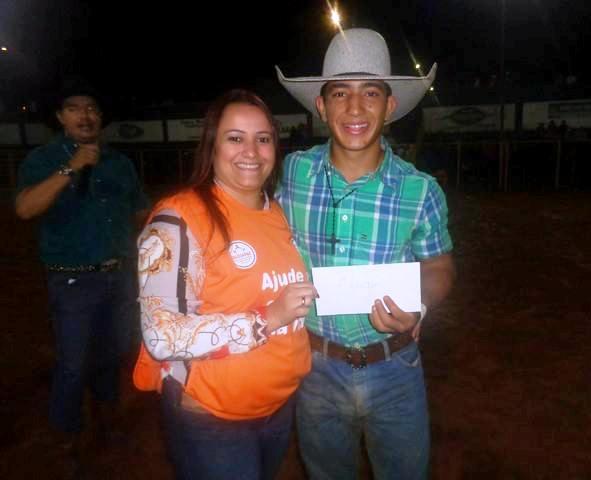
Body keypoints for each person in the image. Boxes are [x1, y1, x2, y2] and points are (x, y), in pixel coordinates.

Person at [276, 28, 456, 479]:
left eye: (370, 92)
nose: (355, 108)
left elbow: (438, 264)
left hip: (394, 366)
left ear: (390, 106)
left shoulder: (420, 190)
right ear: (322, 106)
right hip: (315, 366)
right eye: (340, 93)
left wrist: (419, 306)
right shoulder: (291, 174)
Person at [133, 89, 317, 480]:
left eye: (263, 138)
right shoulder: (178, 219)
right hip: (211, 418)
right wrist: (265, 319)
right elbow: (161, 335)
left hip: (279, 407)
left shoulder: (280, 214)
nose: (251, 151)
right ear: (212, 146)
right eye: (235, 138)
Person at [15, 83, 149, 457]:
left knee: (113, 354)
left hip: (120, 277)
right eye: (74, 108)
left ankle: (107, 423)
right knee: (73, 364)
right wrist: (69, 169)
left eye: (91, 108)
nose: (85, 115)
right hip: (72, 279)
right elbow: (25, 208)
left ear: (101, 116)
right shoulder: (43, 159)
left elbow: (140, 211)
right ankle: (67, 436)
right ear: (60, 117)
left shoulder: (119, 163)